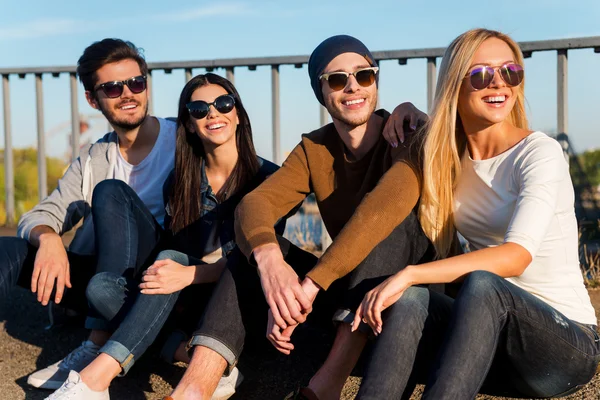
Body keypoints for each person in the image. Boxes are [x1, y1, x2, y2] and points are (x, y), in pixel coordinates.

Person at [165, 34, 431, 400]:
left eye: (364, 75)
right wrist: (271, 263)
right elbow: (254, 205)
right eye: (337, 79)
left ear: (375, 81)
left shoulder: (408, 134)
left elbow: (385, 205)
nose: (352, 86)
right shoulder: (314, 149)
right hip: (347, 303)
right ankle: (192, 390)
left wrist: (310, 285)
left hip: (414, 305)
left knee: (392, 222)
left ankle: (324, 389)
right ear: (321, 92)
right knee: (251, 256)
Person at [353, 28, 600, 399]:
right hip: (487, 341)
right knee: (411, 300)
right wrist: (406, 109)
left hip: (565, 345)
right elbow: (433, 129)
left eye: (510, 72)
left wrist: (411, 273)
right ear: (455, 84)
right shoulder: (448, 159)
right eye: (482, 74)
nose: (499, 83)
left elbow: (516, 257)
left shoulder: (538, 153)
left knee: (481, 284)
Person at [42, 73, 286, 400]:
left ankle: (96, 379)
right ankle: (183, 351)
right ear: (187, 124)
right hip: (181, 301)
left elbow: (257, 264)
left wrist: (188, 273)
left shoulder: (270, 179)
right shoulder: (181, 180)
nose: (213, 113)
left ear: (238, 113)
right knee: (102, 288)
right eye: (199, 109)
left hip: (234, 303)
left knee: (169, 261)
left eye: (223, 103)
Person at [0, 38, 178, 390]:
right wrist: (49, 237)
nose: (128, 93)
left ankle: (98, 343)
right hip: (104, 289)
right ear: (92, 99)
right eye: (112, 88)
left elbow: (251, 174)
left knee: (110, 193)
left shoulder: (182, 139)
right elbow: (43, 213)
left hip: (165, 285)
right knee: (8, 249)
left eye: (136, 82)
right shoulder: (96, 157)